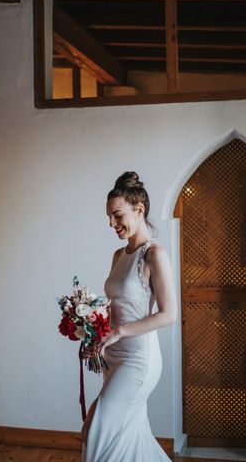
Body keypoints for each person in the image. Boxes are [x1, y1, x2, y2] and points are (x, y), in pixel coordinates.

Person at [81, 171, 177, 462]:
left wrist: (121, 332)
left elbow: (169, 314)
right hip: (113, 357)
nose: (112, 224)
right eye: (109, 217)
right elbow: (115, 307)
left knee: (97, 432)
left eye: (117, 216)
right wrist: (93, 334)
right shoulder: (118, 256)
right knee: (127, 439)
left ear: (139, 210)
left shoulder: (154, 255)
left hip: (138, 360)